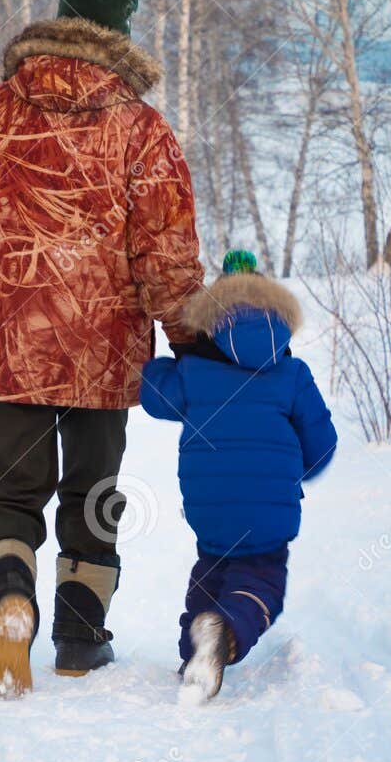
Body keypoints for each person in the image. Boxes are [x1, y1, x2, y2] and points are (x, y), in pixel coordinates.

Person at [0, 0, 203, 696]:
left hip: (8, 348)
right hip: (103, 357)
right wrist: (191, 341)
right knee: (92, 493)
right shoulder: (141, 129)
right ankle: (79, 635)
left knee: (9, 497)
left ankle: (10, 598)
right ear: (120, 38)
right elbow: (166, 259)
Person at [140, 250, 338, 702]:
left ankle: (195, 651)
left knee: (211, 569)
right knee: (260, 581)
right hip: (268, 512)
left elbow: (153, 394)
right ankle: (224, 632)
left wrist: (177, 355)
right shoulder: (292, 374)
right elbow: (322, 446)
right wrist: (292, 474)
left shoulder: (194, 372)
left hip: (209, 509)